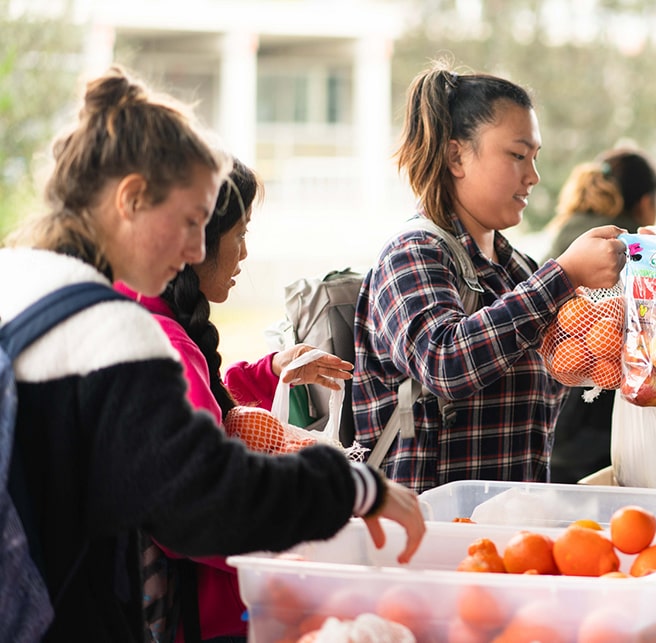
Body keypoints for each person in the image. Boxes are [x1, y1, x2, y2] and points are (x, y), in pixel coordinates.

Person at [0, 66, 424, 642]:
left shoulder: (15, 282)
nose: (200, 248)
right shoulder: (109, 331)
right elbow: (205, 501)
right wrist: (354, 486)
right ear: (130, 199)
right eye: (193, 221)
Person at [353, 62, 627, 494]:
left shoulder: (517, 269)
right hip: (431, 535)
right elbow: (444, 363)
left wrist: (648, 288)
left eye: (535, 158)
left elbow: (587, 361)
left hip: (514, 528)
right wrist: (564, 274)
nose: (533, 177)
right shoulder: (412, 255)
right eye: (517, 155)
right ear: (456, 156)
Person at [113, 159, 354, 642]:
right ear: (194, 238)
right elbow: (195, 506)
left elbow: (209, 410)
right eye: (240, 233)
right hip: (202, 616)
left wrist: (270, 371)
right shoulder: (167, 346)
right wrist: (299, 533)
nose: (244, 253)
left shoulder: (139, 314)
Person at [545, 149, 656, 482]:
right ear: (644, 202)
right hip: (591, 421)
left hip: (557, 411)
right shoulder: (620, 244)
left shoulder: (568, 229)